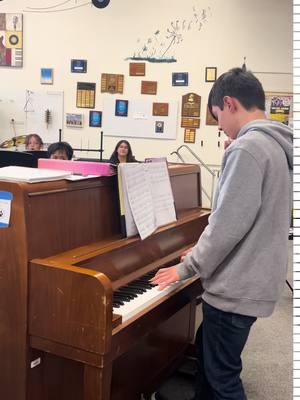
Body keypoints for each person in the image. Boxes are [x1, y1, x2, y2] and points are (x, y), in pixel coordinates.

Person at [151, 67, 292, 400]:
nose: (218, 126)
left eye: (216, 116)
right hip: (255, 280)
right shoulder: (276, 145)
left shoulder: (248, 149)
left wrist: (186, 267)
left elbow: (227, 225)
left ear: (229, 103)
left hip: (236, 289)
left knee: (222, 378)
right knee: (206, 351)